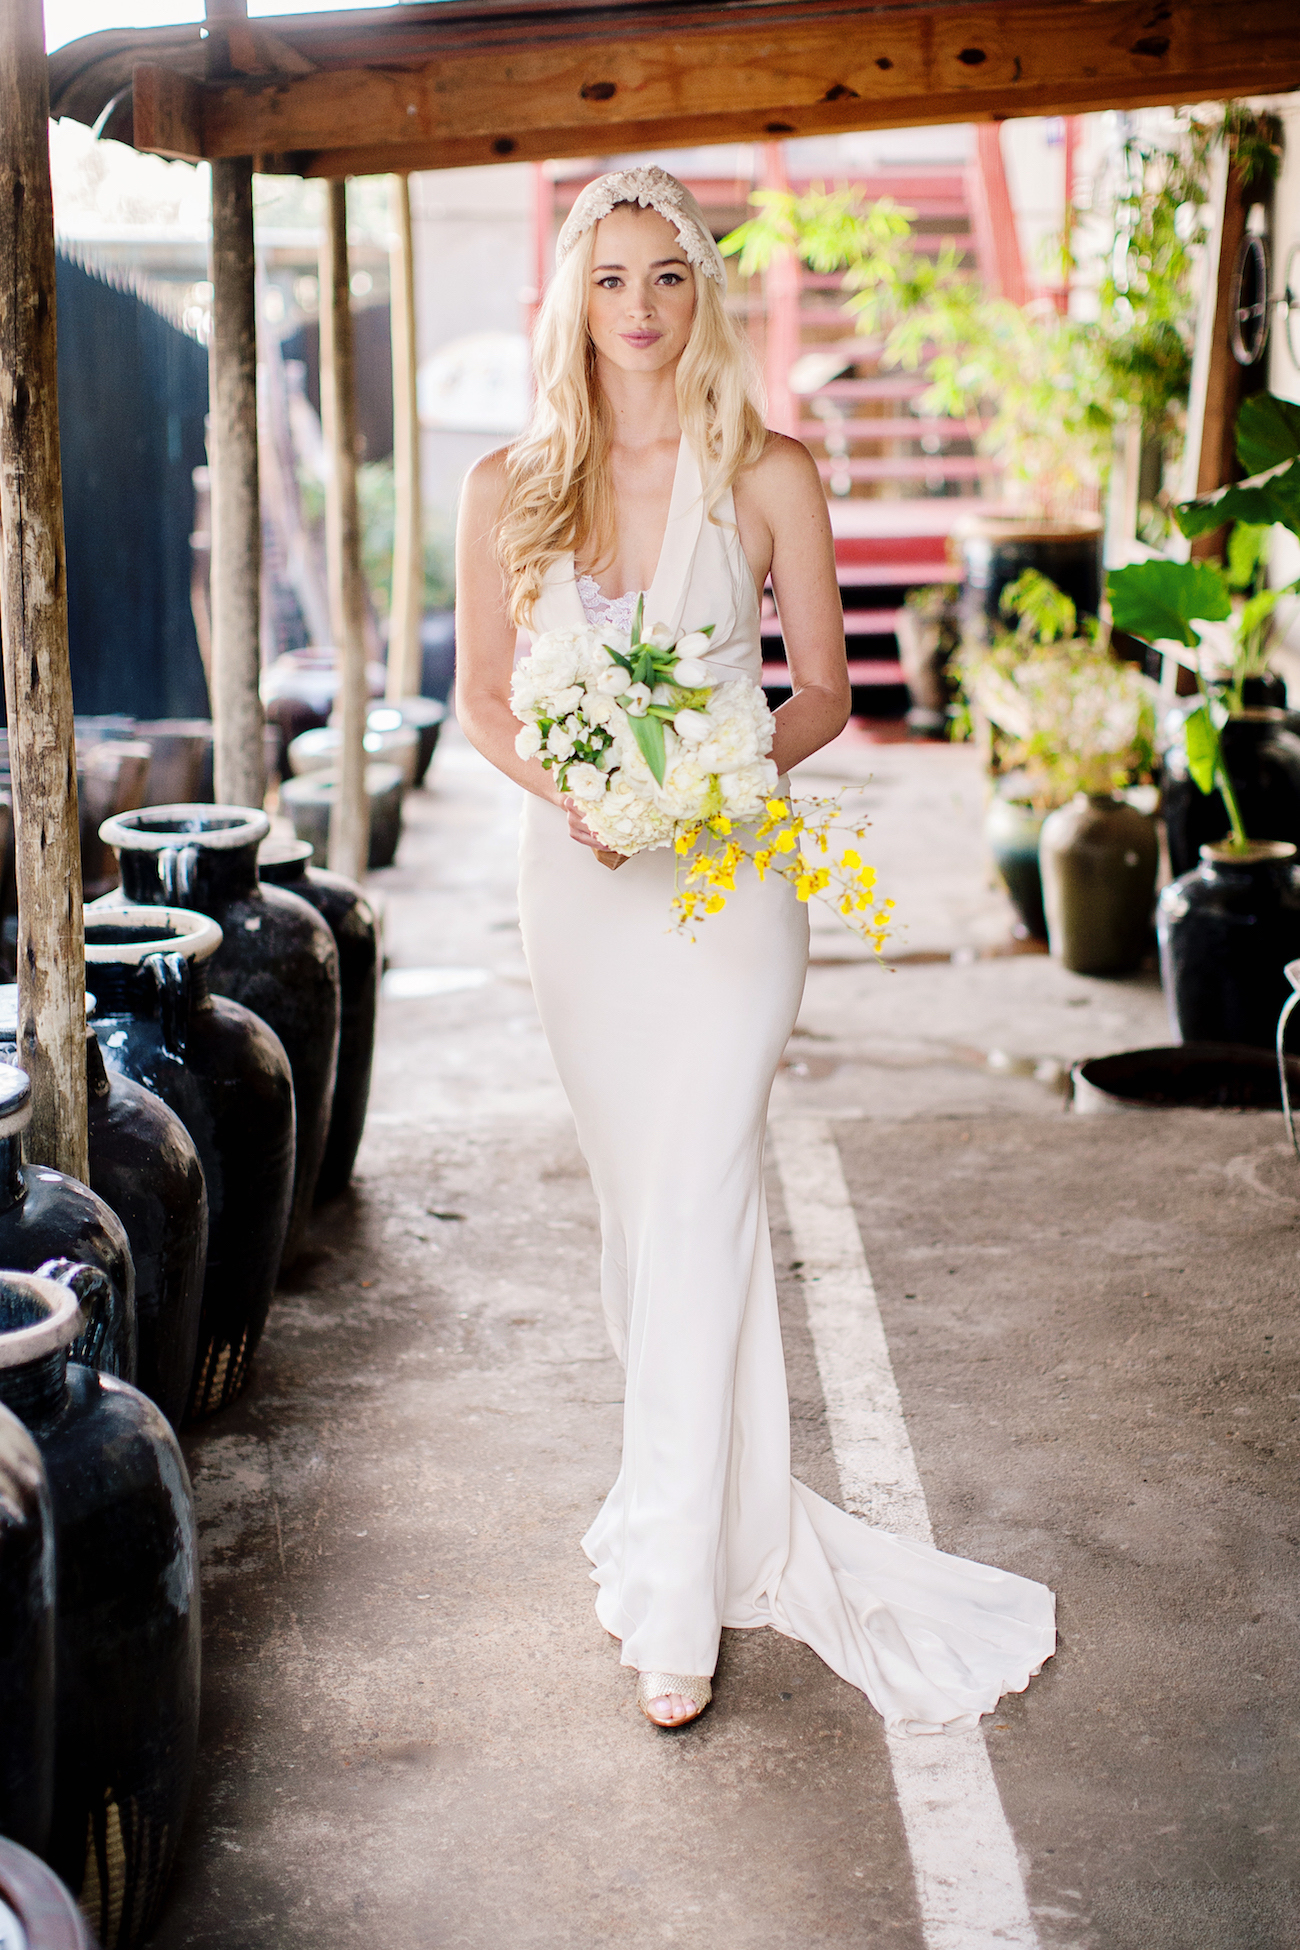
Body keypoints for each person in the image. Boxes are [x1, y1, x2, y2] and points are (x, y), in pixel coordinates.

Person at [456, 166, 1055, 1731]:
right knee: (638, 1222)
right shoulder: (510, 484)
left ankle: (676, 1606)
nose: (640, 308)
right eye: (610, 280)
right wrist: (591, 795)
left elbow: (824, 692)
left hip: (734, 884)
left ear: (701, 293)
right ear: (571, 302)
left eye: (667, 277)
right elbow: (486, 704)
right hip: (580, 888)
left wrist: (706, 781)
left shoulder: (771, 468)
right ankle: (694, 1515)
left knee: (707, 1185)